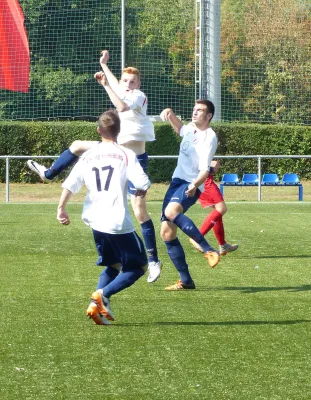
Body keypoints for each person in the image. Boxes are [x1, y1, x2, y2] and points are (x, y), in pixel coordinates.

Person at [27, 50, 162, 283]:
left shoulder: (138, 96)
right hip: (115, 154)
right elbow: (115, 85)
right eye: (126, 80)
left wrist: (107, 85)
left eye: (133, 81)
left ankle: (153, 260)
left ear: (139, 83)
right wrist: (104, 67)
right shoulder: (122, 88)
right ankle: (49, 174)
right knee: (77, 145)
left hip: (134, 159)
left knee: (139, 211)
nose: (129, 84)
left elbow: (120, 106)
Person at [57, 109, 150, 325]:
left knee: (114, 264)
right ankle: (103, 295)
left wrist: (61, 207)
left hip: (95, 220)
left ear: (99, 130)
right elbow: (142, 181)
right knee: (138, 267)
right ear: (119, 131)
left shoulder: (88, 155)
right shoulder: (126, 154)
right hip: (117, 222)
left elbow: (71, 183)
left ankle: (95, 304)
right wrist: (143, 189)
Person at [160, 99, 220, 291]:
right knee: (167, 233)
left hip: (191, 183)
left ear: (209, 116)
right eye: (194, 109)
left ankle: (209, 249)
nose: (195, 113)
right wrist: (170, 112)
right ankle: (186, 281)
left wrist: (195, 184)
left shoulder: (208, 137)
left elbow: (205, 169)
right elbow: (180, 129)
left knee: (171, 212)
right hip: (177, 181)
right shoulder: (191, 130)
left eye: (200, 111)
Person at [189, 159, 239, 255]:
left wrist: (211, 166)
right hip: (205, 181)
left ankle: (223, 245)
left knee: (218, 212)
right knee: (221, 209)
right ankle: (197, 238)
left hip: (204, 180)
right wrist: (210, 165)